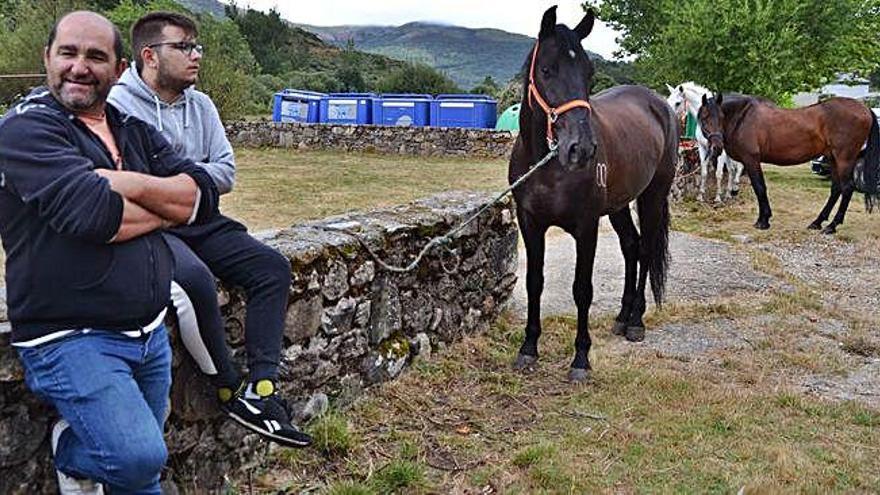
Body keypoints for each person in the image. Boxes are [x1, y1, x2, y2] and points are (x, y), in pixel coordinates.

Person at [0, 11, 220, 493]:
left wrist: (124, 183)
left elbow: (204, 194)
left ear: (119, 69)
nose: (80, 67)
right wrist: (168, 203)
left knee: (139, 470)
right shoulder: (25, 128)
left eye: (95, 56)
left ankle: (89, 460)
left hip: (147, 329)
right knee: (138, 458)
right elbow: (92, 218)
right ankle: (72, 450)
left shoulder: (129, 127)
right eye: (68, 53)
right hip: (70, 335)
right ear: (47, 58)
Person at [108, 12, 312, 449]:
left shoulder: (202, 105)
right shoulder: (118, 106)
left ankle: (263, 387)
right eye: (184, 47)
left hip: (200, 218)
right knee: (195, 279)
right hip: (153, 227)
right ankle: (228, 388)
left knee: (271, 267)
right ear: (149, 55)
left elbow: (226, 172)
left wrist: (177, 185)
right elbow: (130, 185)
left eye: (197, 46)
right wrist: (184, 187)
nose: (196, 55)